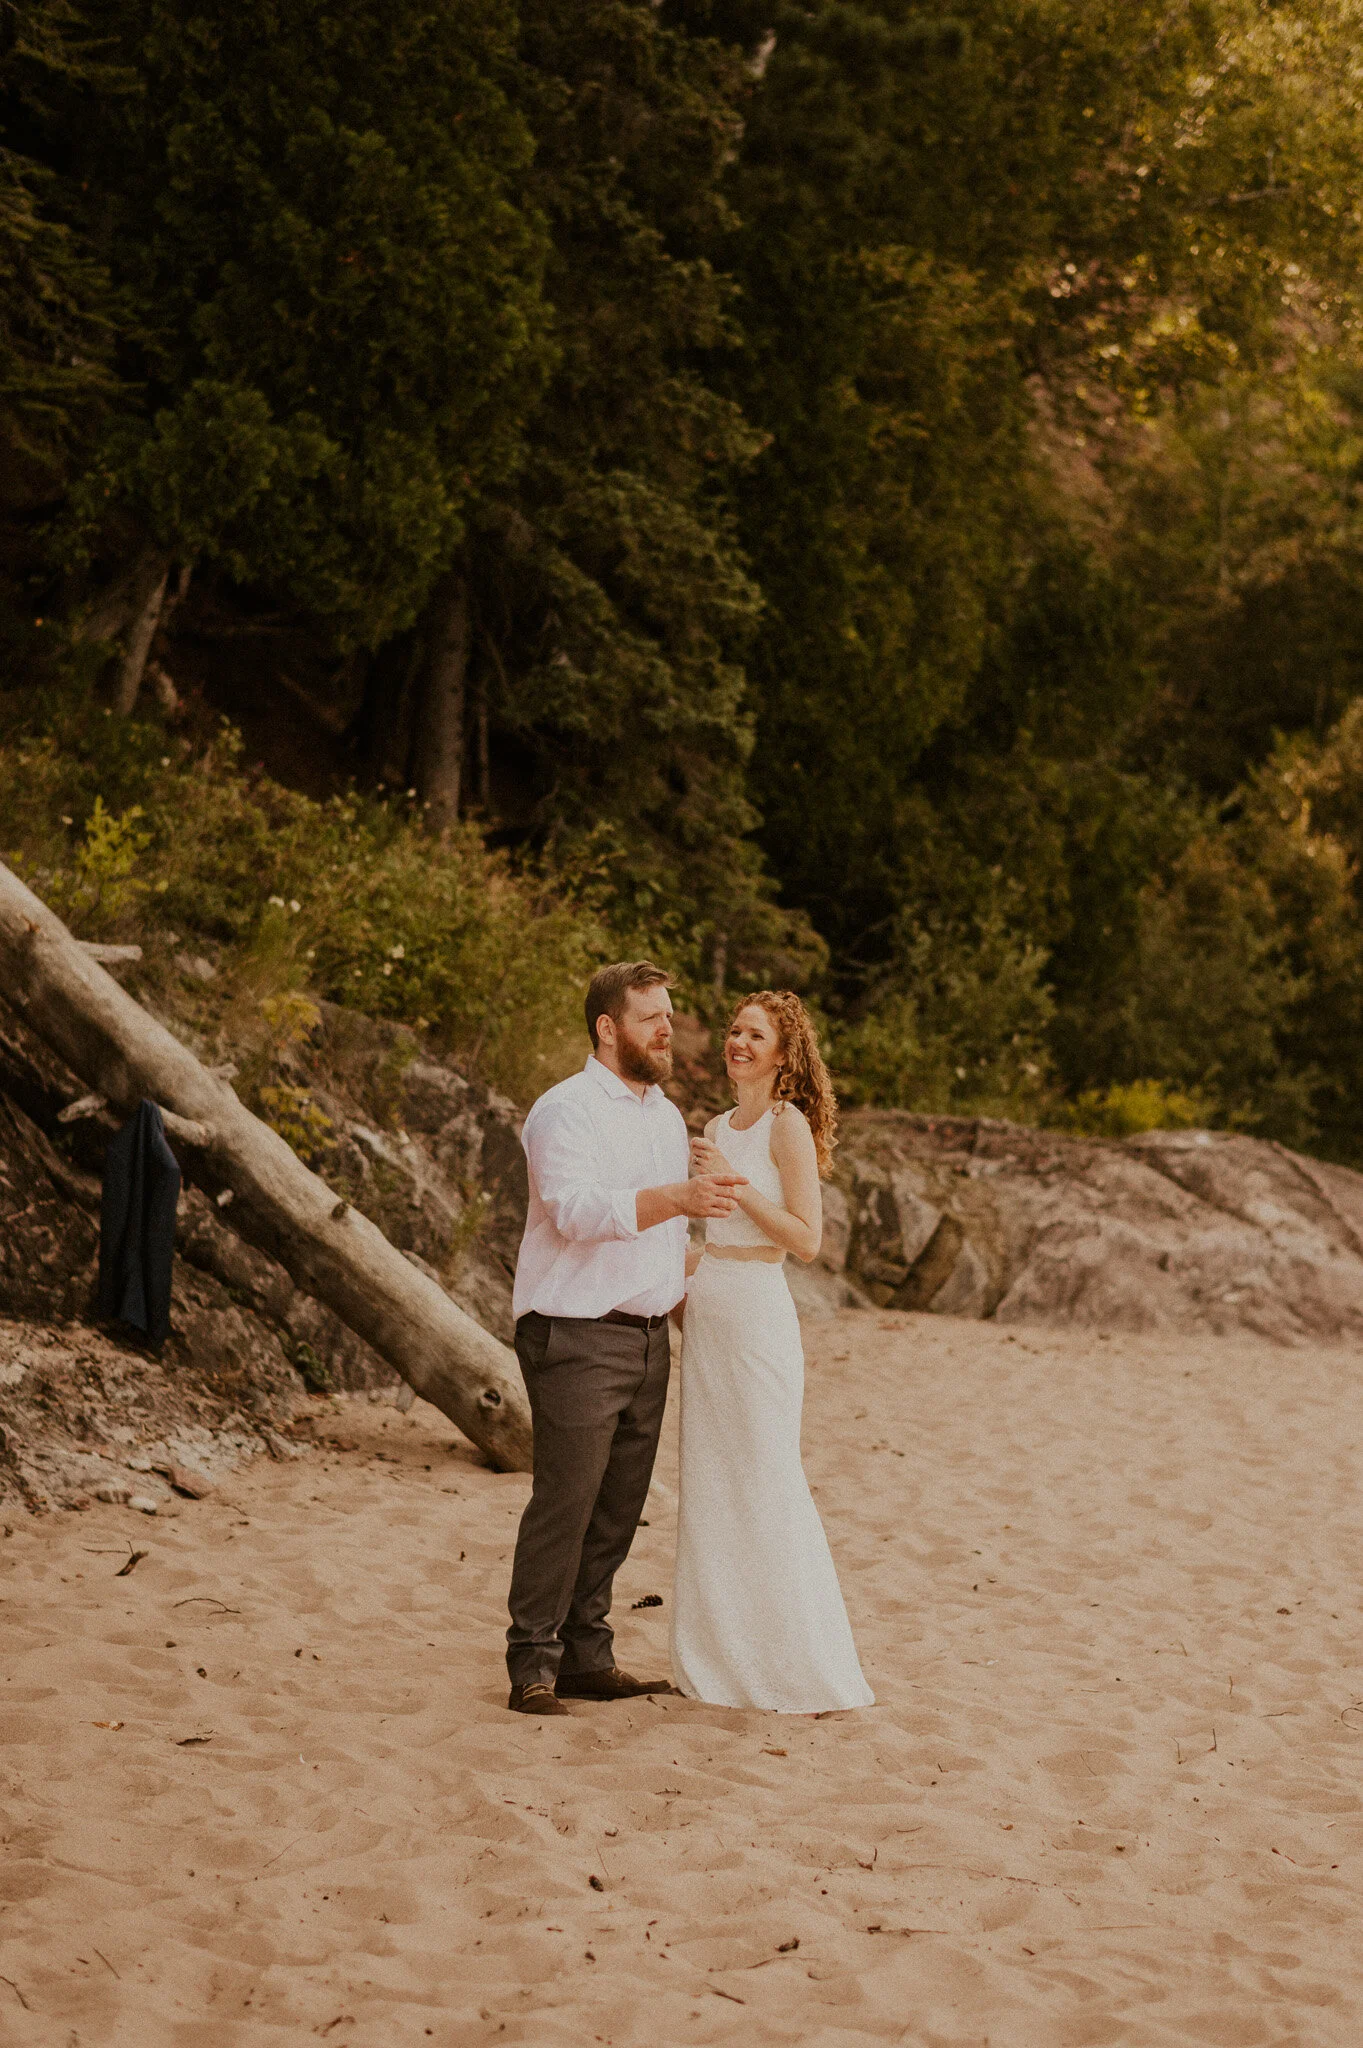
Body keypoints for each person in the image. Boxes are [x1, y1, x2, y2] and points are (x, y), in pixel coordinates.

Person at [505, 960, 748, 1715]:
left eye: (668, 1016)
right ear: (608, 1028)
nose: (666, 1029)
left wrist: (691, 1311)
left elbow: (665, 1235)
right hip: (575, 1331)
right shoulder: (563, 1110)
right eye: (651, 1017)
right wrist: (678, 1194)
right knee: (566, 1501)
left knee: (617, 1506)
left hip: (647, 1338)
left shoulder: (663, 1116)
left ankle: (586, 1654)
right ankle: (532, 1666)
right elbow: (576, 1212)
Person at [671, 991, 874, 1713]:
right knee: (711, 1482)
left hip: (759, 1314)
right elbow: (708, 1233)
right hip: (710, 1313)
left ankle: (796, 1665)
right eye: (734, 1030)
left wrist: (731, 1180)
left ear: (783, 1055)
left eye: (755, 1035)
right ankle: (716, 1659)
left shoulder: (785, 1126)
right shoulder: (712, 1124)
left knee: (764, 1476)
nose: (738, 1042)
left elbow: (807, 1240)